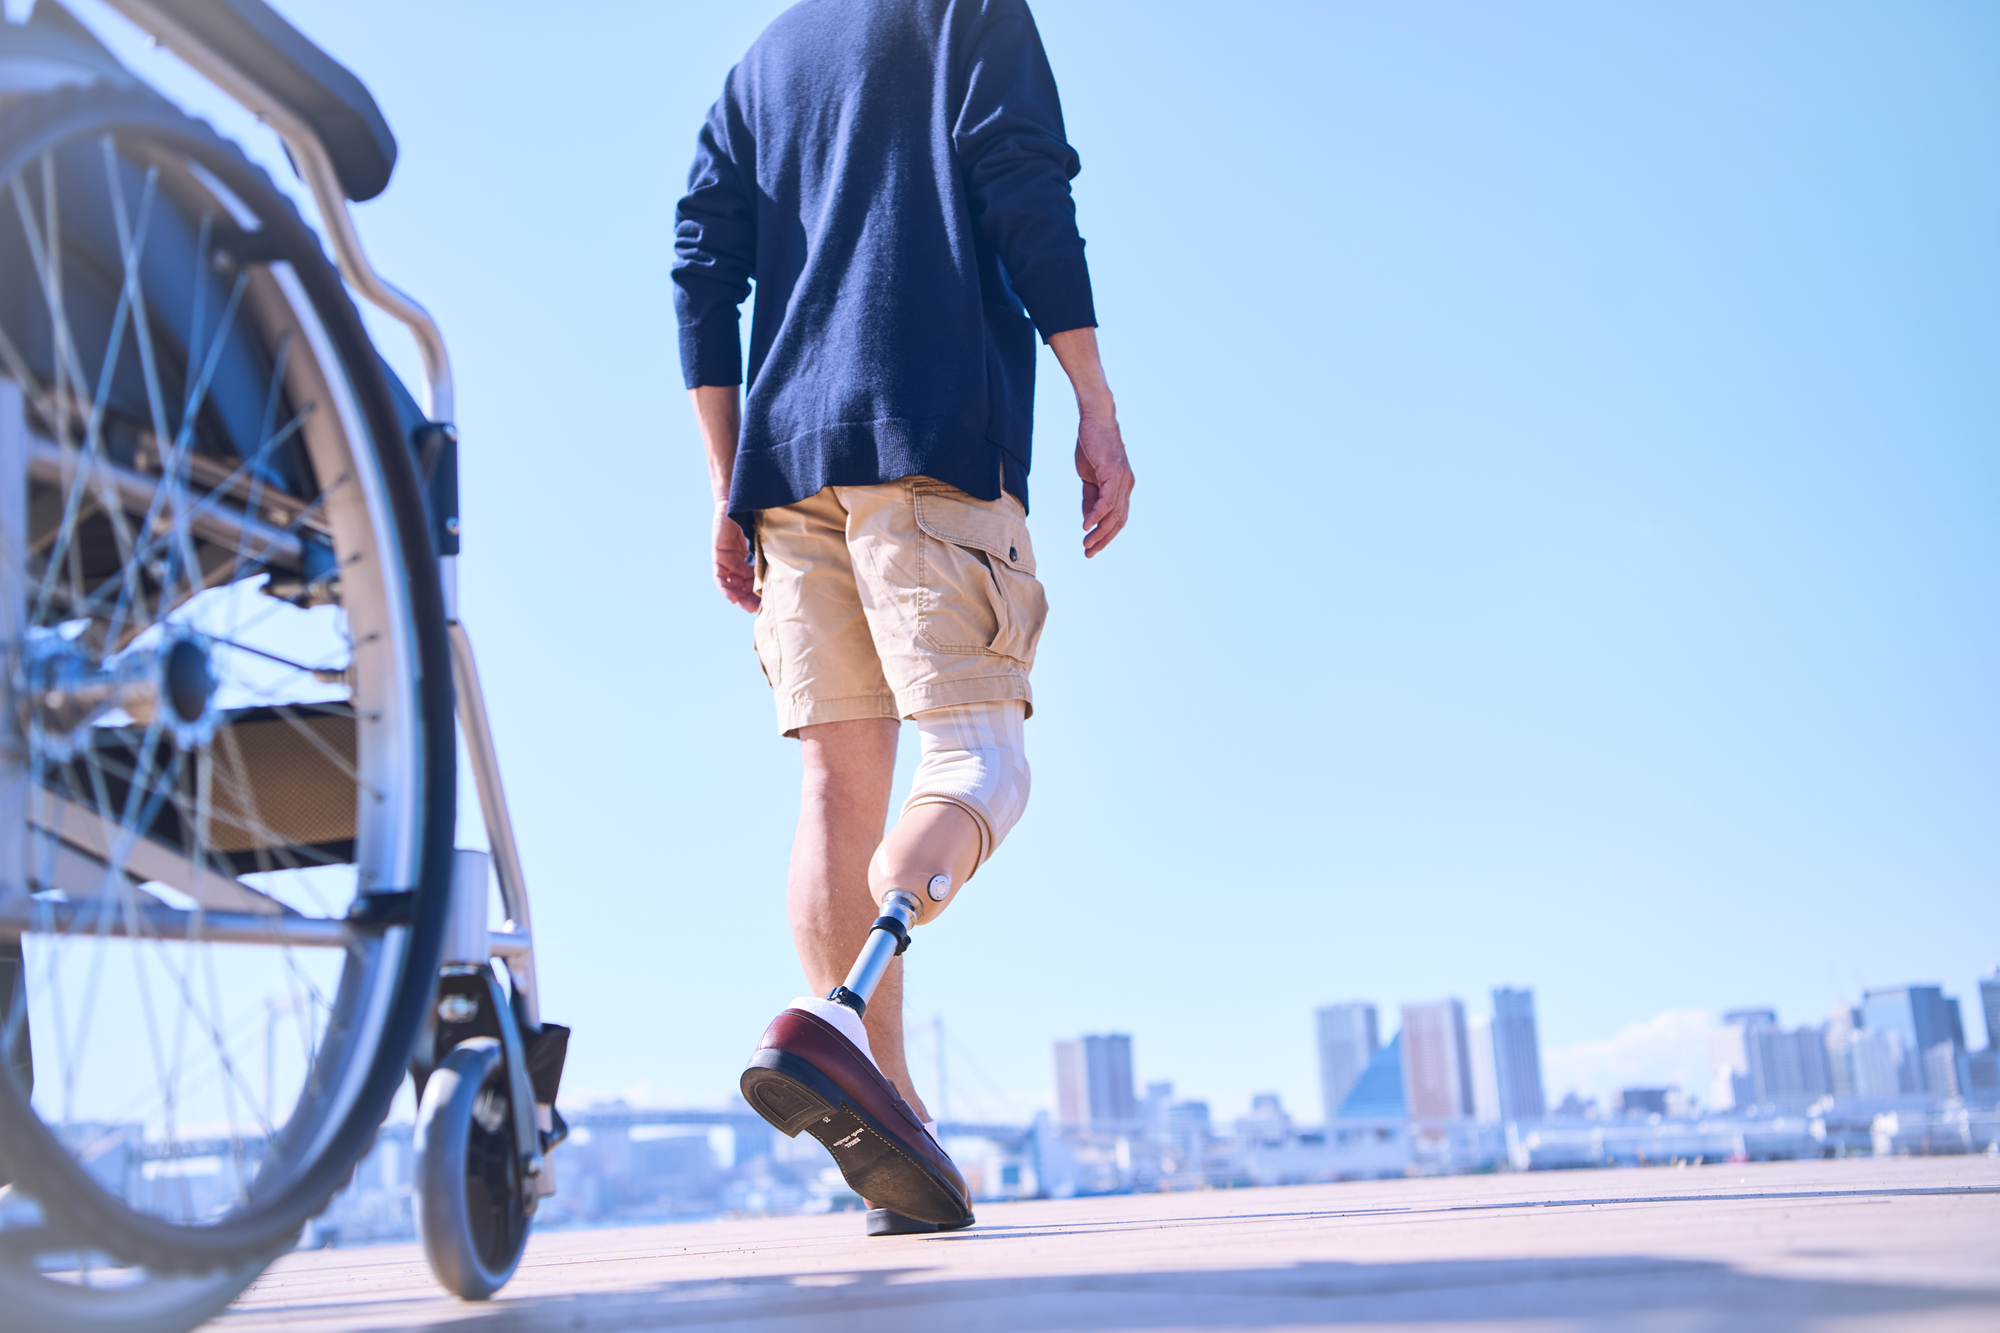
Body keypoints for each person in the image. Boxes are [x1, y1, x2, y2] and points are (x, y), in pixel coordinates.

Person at [674, 0, 1133, 1235]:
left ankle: (895, 1121)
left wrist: (729, 483)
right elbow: (1022, 185)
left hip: (784, 464)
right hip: (924, 432)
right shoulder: (962, 9)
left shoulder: (758, 66)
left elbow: (700, 271)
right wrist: (1091, 396)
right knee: (979, 762)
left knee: (835, 793)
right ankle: (837, 1018)